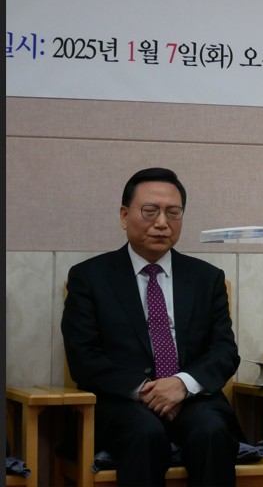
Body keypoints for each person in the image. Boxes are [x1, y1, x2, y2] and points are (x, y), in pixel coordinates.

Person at [61, 167, 244, 487]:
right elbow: (83, 357)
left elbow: (224, 351)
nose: (162, 222)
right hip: (122, 403)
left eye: (173, 212)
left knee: (211, 431)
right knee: (144, 434)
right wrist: (148, 391)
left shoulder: (206, 278)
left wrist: (181, 385)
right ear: (124, 215)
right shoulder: (89, 277)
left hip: (193, 399)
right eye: (150, 211)